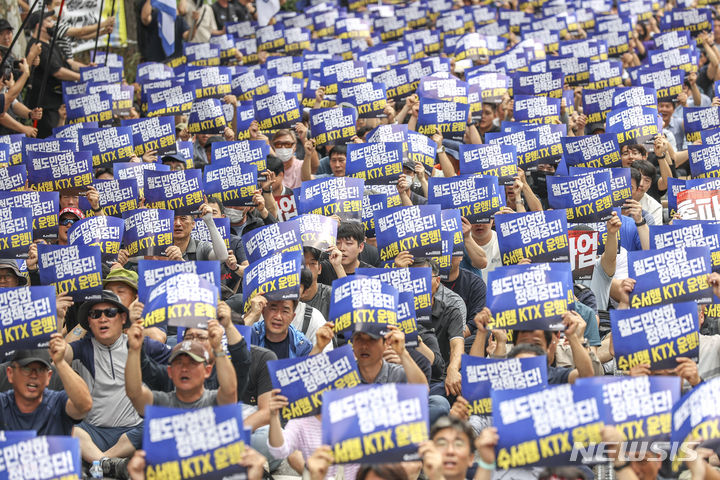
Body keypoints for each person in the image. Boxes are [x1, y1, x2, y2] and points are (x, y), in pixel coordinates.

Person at [65, 290, 171, 477]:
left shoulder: (141, 344)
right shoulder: (82, 349)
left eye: (110, 313)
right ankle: (109, 464)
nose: (102, 318)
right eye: (95, 314)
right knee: (67, 427)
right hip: (93, 433)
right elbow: (58, 355)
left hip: (133, 433)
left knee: (156, 422)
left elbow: (179, 361)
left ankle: (99, 464)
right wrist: (62, 320)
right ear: (89, 322)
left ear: (123, 318)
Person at [125, 319, 237, 413]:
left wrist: (217, 347)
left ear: (207, 371)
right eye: (178, 363)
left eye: (193, 363)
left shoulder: (215, 401)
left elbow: (230, 390)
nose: (184, 369)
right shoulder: (161, 403)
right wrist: (133, 350)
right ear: (169, 371)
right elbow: (134, 394)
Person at [0, 339, 92, 435]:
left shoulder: (58, 403)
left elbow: (84, 406)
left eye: (40, 369)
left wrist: (60, 362)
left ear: (49, 376)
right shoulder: (2, 404)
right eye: (26, 369)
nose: (33, 375)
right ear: (10, 374)